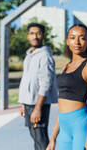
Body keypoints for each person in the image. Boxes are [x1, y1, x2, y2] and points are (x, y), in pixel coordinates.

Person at [46, 24, 87, 150]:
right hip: (64, 127)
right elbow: (61, 106)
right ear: (67, 41)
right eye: (72, 37)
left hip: (80, 126)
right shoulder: (65, 67)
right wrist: (53, 138)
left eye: (82, 38)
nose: (76, 42)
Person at [18, 22, 58, 150]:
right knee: (35, 137)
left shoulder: (45, 56)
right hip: (30, 103)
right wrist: (23, 103)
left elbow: (46, 83)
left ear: (43, 36)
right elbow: (27, 80)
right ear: (27, 36)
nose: (35, 36)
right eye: (31, 33)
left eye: (38, 33)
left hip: (38, 104)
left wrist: (38, 108)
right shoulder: (29, 55)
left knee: (41, 140)